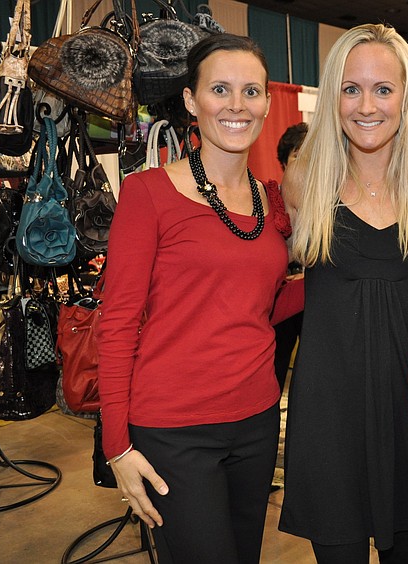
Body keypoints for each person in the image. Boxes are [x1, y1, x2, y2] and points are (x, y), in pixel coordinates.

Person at [98, 34, 301, 563]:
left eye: (251, 91)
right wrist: (117, 445)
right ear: (191, 101)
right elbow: (116, 324)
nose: (237, 105)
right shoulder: (148, 195)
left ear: (265, 103)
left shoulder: (271, 201)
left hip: (257, 421)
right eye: (220, 89)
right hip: (173, 430)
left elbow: (257, 307)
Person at [278, 23, 408, 563]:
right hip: (329, 410)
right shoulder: (305, 181)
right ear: (333, 98)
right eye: (351, 89)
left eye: (382, 89)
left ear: (406, 97)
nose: (366, 105)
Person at [270, 122, 308, 393]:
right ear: (284, 161)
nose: (303, 162)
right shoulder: (269, 200)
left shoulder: (328, 203)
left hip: (312, 295)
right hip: (280, 296)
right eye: (297, 155)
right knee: (275, 366)